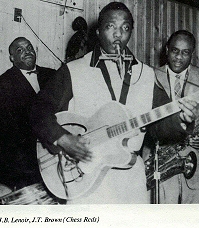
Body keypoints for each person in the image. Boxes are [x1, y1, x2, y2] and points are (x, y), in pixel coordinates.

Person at [30, 2, 155, 204]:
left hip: (131, 181)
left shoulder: (147, 75)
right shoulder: (73, 69)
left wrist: (182, 120)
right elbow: (38, 110)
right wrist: (62, 138)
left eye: (125, 28)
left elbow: (164, 128)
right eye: (111, 27)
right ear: (97, 31)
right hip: (85, 178)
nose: (118, 34)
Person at [147, 30, 199, 203]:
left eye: (185, 53)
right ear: (167, 50)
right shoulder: (148, 77)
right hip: (160, 171)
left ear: (192, 54)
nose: (179, 57)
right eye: (175, 51)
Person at [0, 37, 56, 190]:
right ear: (12, 58)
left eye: (29, 48)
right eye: (20, 50)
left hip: (50, 153)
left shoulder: (53, 75)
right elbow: (11, 125)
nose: (27, 52)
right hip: (17, 159)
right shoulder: (1, 83)